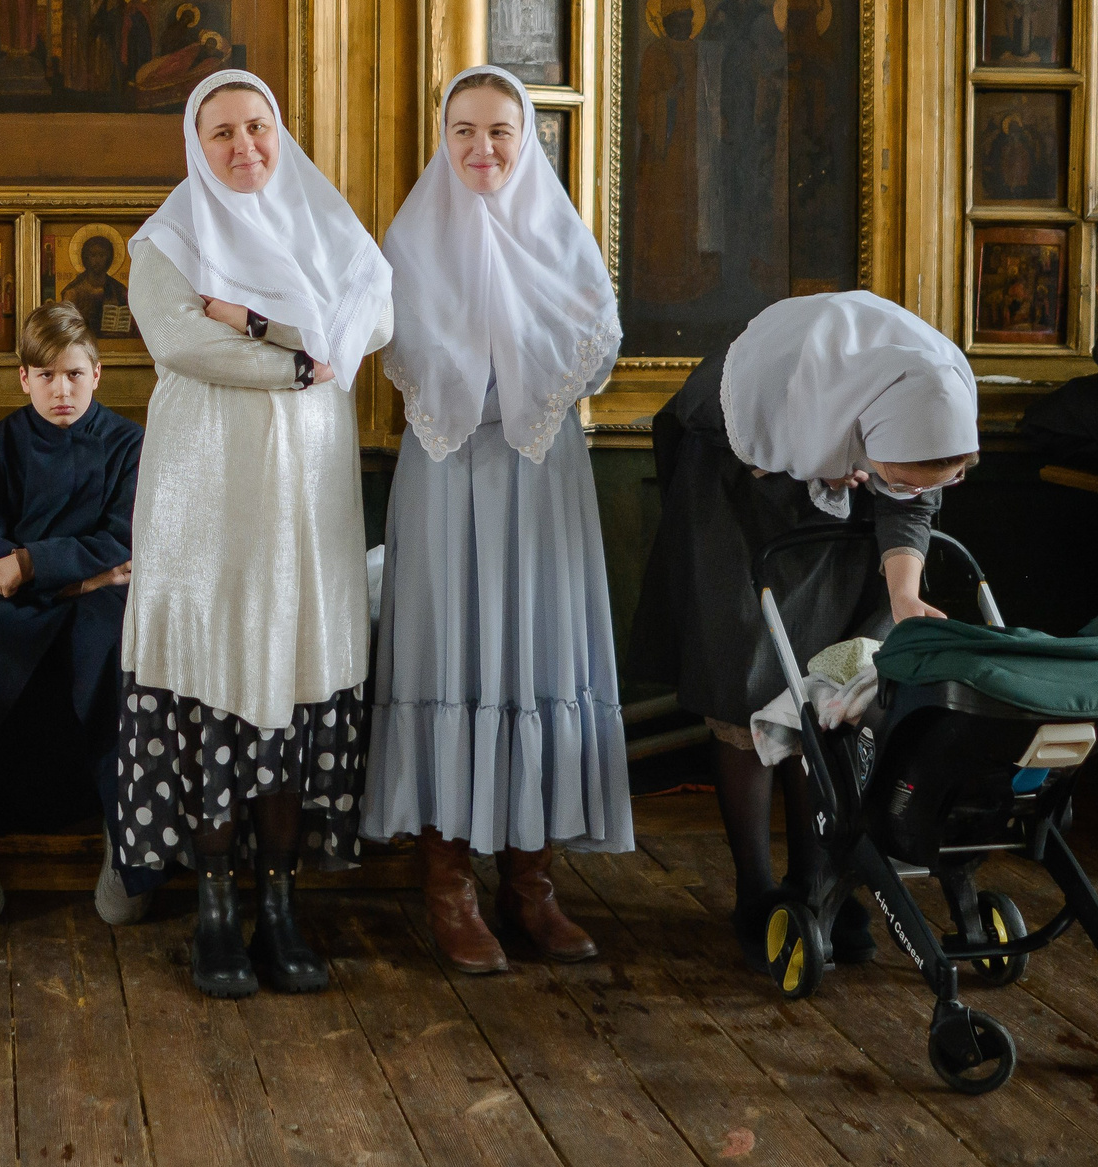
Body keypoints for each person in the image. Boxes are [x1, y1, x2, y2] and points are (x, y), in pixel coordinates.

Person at [116, 70, 393, 999]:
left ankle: (279, 901)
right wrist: (299, 358)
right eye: (222, 131)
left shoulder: (321, 220)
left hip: (308, 488)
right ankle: (214, 908)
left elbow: (375, 312)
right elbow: (181, 340)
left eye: (258, 127)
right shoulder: (166, 238)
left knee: (293, 672)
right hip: (206, 492)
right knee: (218, 684)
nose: (245, 147)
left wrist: (264, 324)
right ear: (196, 143)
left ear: (279, 131)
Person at [363, 68, 630, 974]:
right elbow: (399, 347)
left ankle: (533, 885)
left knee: (535, 654)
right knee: (454, 654)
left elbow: (595, 356)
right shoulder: (409, 241)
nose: (483, 148)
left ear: (528, 140)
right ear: (445, 138)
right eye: (466, 130)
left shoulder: (559, 236)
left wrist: (521, 349)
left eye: (502, 131)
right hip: (445, 475)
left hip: (540, 472)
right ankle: (448, 886)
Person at [631, 292, 978, 972]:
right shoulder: (775, 385)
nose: (908, 487)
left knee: (830, 690)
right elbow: (697, 438)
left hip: (846, 506)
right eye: (897, 478)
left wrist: (904, 591)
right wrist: (815, 463)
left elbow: (911, 498)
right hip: (737, 485)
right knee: (749, 683)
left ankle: (817, 883)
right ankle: (755, 889)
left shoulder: (923, 400)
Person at [0, 303, 147, 927]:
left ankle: (126, 845)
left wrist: (33, 563)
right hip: (9, 601)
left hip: (88, 599)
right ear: (24, 378)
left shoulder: (130, 444)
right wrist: (65, 574)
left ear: (97, 375)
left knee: (114, 642)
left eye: (75, 375)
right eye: (46, 376)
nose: (62, 390)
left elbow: (125, 540)